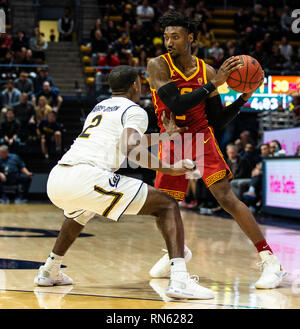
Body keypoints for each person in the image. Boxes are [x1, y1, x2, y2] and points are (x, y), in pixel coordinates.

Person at [34, 65, 215, 300]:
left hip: (59, 176)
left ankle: (49, 270)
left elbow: (122, 139)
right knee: (167, 206)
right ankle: (180, 280)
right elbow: (130, 148)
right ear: (135, 85)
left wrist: (165, 136)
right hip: (89, 175)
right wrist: (172, 168)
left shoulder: (99, 108)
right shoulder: (134, 110)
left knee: (79, 214)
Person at [147, 11, 286, 289]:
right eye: (166, 37)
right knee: (164, 205)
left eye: (175, 36)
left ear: (190, 38)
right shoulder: (157, 66)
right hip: (173, 140)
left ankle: (271, 261)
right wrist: (214, 84)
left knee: (226, 198)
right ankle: (178, 253)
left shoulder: (208, 71)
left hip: (201, 138)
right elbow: (176, 105)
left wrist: (242, 99)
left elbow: (217, 120)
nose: (169, 42)